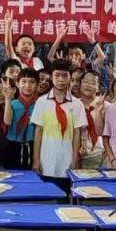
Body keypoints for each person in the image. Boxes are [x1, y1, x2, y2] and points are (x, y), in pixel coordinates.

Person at [32, 60, 87, 193]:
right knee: (46, 196)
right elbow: (38, 131)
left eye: (64, 76)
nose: (61, 80)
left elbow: (77, 133)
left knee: (66, 196)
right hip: (46, 159)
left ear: (70, 78)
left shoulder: (77, 104)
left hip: (67, 160)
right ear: (51, 77)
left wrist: (74, 160)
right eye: (57, 75)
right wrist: (36, 160)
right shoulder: (41, 101)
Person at [3, 69, 39, 170]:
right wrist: (7, 99)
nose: (28, 85)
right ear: (17, 83)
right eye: (24, 81)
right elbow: (7, 121)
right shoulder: (13, 103)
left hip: (32, 145)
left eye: (32, 82)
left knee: (31, 176)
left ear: (37, 85)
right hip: (13, 145)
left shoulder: (39, 105)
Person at [78, 70, 105, 169]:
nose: (88, 85)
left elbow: (102, 132)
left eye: (93, 83)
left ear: (98, 88)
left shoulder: (106, 106)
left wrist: (98, 111)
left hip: (99, 155)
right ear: (80, 85)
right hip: (77, 155)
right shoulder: (74, 105)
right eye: (85, 82)